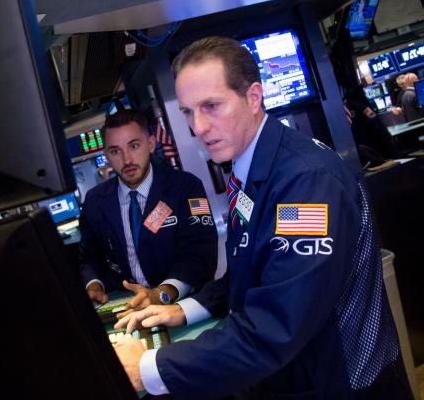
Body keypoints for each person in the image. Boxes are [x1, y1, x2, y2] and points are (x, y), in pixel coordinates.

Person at [113, 36, 413, 400]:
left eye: (211, 106)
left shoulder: (305, 184)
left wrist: (148, 366)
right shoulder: (252, 168)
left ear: (254, 97)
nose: (199, 128)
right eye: (189, 112)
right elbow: (251, 268)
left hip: (339, 386)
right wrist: (184, 309)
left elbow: (276, 326)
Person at [78, 110, 217, 310]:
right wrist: (94, 285)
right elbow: (88, 258)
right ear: (106, 155)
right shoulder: (94, 201)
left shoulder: (186, 187)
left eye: (134, 146)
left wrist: (161, 294)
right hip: (125, 306)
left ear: (151, 144)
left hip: (181, 303)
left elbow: (200, 255)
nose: (127, 160)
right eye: (116, 151)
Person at [344, 86, 398, 166]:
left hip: (364, 156)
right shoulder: (362, 107)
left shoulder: (346, 108)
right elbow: (379, 127)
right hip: (378, 151)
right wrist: (393, 151)